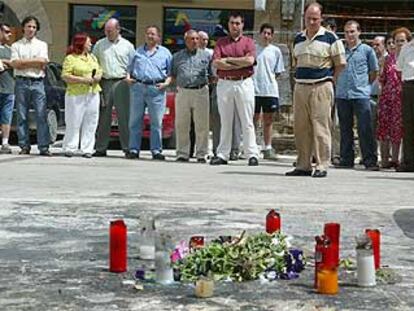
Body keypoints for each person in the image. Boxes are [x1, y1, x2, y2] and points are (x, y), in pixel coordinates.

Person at [286, 2, 345, 178]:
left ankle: (321, 165)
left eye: (315, 19)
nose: (311, 22)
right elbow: (294, 63)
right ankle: (303, 165)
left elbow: (340, 63)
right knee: (301, 127)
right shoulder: (298, 38)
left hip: (321, 86)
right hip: (301, 86)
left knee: (321, 126)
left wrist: (331, 80)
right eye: (308, 18)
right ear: (304, 18)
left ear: (321, 19)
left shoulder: (331, 38)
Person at [210, 11, 259, 166]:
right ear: (228, 25)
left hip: (244, 82)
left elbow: (250, 60)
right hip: (224, 83)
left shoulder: (249, 42)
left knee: (247, 120)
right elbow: (217, 63)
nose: (234, 26)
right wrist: (240, 62)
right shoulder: (221, 42)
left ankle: (252, 153)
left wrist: (229, 60)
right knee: (225, 120)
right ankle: (223, 154)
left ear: (242, 25)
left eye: (237, 23)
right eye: (232, 23)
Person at [335, 20, 379, 171]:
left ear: (359, 32)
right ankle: (346, 159)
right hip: (342, 94)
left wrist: (364, 86)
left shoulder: (367, 50)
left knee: (365, 128)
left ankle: (370, 160)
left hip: (360, 94)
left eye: (352, 31)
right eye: (346, 32)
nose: (349, 35)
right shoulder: (340, 50)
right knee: (345, 128)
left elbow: (373, 72)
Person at [126, 25, 172, 160]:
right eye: (148, 34)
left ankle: (156, 150)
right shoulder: (137, 52)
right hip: (138, 88)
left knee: (156, 122)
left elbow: (170, 73)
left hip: (156, 89)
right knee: (135, 121)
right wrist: (128, 78)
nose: (150, 36)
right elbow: (129, 69)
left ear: (158, 37)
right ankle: (133, 149)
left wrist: (166, 83)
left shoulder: (165, 53)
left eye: (153, 34)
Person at [92, 18, 135, 157]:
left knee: (124, 116)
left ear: (118, 30)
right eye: (106, 31)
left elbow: (133, 65)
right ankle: (101, 147)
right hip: (105, 82)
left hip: (122, 82)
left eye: (110, 31)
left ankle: (127, 148)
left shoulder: (128, 46)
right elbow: (94, 63)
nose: (108, 33)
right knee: (104, 116)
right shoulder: (99, 44)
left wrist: (129, 77)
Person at [10, 16, 50, 156]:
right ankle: (24, 146)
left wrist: (24, 63)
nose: (31, 29)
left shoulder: (42, 45)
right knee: (22, 115)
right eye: (29, 26)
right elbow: (15, 64)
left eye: (34, 27)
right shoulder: (16, 45)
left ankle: (43, 147)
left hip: (38, 83)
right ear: (23, 28)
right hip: (21, 82)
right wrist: (34, 62)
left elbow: (43, 62)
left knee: (41, 115)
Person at [171, 29, 211, 163]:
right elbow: (173, 74)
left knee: (202, 125)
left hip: (200, 91)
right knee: (182, 124)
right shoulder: (177, 57)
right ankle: (182, 153)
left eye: (196, 39)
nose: (194, 41)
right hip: (183, 92)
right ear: (185, 41)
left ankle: (201, 154)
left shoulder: (206, 56)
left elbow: (212, 75)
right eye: (191, 39)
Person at [61, 33, 102, 158]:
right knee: (74, 121)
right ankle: (70, 147)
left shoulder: (93, 58)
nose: (90, 44)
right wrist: (83, 80)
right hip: (76, 94)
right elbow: (65, 76)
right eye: (88, 42)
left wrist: (97, 77)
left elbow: (99, 70)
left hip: (93, 93)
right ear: (81, 43)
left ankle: (87, 148)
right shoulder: (71, 58)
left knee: (91, 121)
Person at [377, 29, 410, 169]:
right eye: (397, 41)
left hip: (401, 98)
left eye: (402, 41)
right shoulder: (388, 58)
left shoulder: (410, 57)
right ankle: (384, 159)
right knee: (384, 128)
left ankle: (396, 159)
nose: (399, 44)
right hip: (386, 98)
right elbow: (382, 78)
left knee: (397, 130)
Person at [253, 23, 284, 160]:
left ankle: (267, 148)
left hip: (270, 91)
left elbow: (278, 72)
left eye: (269, 33)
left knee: (268, 121)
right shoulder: (253, 49)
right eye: (264, 33)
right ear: (260, 34)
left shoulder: (276, 51)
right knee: (253, 120)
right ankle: (252, 147)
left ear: (272, 36)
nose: (266, 36)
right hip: (253, 90)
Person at [396, 27, 414, 172]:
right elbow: (400, 67)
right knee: (408, 124)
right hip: (408, 86)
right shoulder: (406, 48)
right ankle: (408, 161)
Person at [0, 23, 15, 154]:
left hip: (9, 89)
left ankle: (5, 142)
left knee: (6, 117)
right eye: (6, 31)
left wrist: (4, 62)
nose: (9, 34)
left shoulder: (11, 50)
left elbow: (16, 64)